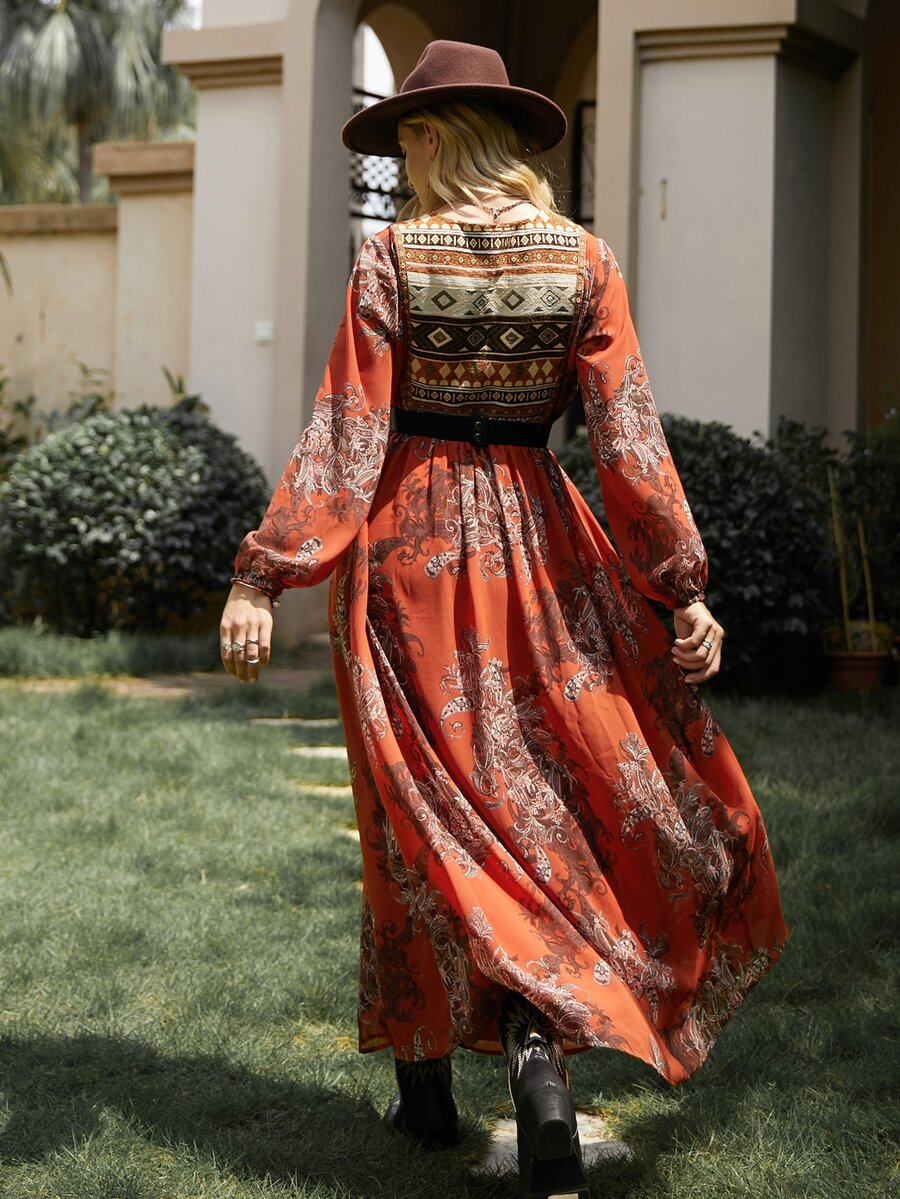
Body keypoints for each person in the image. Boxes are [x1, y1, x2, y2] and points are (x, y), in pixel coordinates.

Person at [219, 39, 787, 1199]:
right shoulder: (585, 259)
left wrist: (264, 574)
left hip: (408, 561)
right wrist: (679, 582)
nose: (407, 162)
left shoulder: (392, 258)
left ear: (438, 135)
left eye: (409, 141)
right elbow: (628, 436)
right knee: (538, 810)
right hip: (542, 554)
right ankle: (537, 1056)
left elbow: (348, 431)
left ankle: (428, 1084)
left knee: (413, 818)